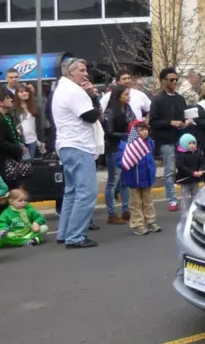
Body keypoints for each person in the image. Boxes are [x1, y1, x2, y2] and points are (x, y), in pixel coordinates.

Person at [51, 58, 102, 249]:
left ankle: (65, 233)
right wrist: (93, 96)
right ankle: (75, 236)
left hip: (67, 145)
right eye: (82, 70)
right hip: (79, 146)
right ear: (70, 72)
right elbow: (90, 116)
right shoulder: (73, 90)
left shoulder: (61, 89)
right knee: (87, 193)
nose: (86, 73)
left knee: (71, 192)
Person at [149, 68, 190, 212]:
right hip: (166, 140)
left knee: (184, 167)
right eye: (171, 80)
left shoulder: (180, 98)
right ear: (163, 81)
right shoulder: (157, 100)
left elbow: (185, 115)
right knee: (170, 169)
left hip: (182, 138)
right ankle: (172, 199)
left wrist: (188, 121)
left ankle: (186, 195)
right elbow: (153, 122)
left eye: (176, 80)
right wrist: (170, 122)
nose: (174, 82)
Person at [102, 85, 135, 225]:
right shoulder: (110, 112)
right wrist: (126, 135)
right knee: (113, 181)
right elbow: (108, 132)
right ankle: (111, 213)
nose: (129, 97)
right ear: (118, 96)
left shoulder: (128, 109)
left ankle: (126, 210)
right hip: (115, 148)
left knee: (125, 180)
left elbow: (134, 123)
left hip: (127, 148)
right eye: (126, 94)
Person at [120, 120, 159, 236]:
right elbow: (121, 161)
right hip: (133, 178)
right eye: (141, 130)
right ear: (133, 132)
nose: (145, 132)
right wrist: (129, 162)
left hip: (146, 176)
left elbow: (150, 160)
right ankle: (137, 224)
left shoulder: (149, 143)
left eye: (146, 129)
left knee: (148, 201)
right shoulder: (126, 145)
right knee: (135, 203)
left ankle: (150, 221)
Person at [0, 87, 25, 190]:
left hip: (11, 161)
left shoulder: (7, 117)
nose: (11, 100)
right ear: (0, 102)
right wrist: (17, 148)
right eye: (8, 98)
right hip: (2, 163)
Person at [174, 134, 205, 214]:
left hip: (195, 178)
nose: (192, 145)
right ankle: (185, 212)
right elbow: (181, 167)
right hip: (185, 178)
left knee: (196, 194)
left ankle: (195, 210)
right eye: (189, 143)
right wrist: (192, 173)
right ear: (184, 144)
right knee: (186, 196)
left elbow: (203, 162)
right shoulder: (180, 155)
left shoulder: (198, 152)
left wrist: (201, 170)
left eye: (193, 143)